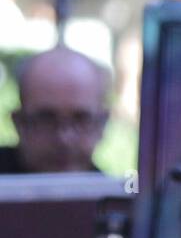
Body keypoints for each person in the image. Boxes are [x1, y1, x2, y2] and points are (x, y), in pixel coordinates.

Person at [0, 46, 110, 174]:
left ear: (102, 124)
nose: (64, 139)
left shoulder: (114, 186)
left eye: (81, 120)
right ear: (19, 123)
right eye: (46, 120)